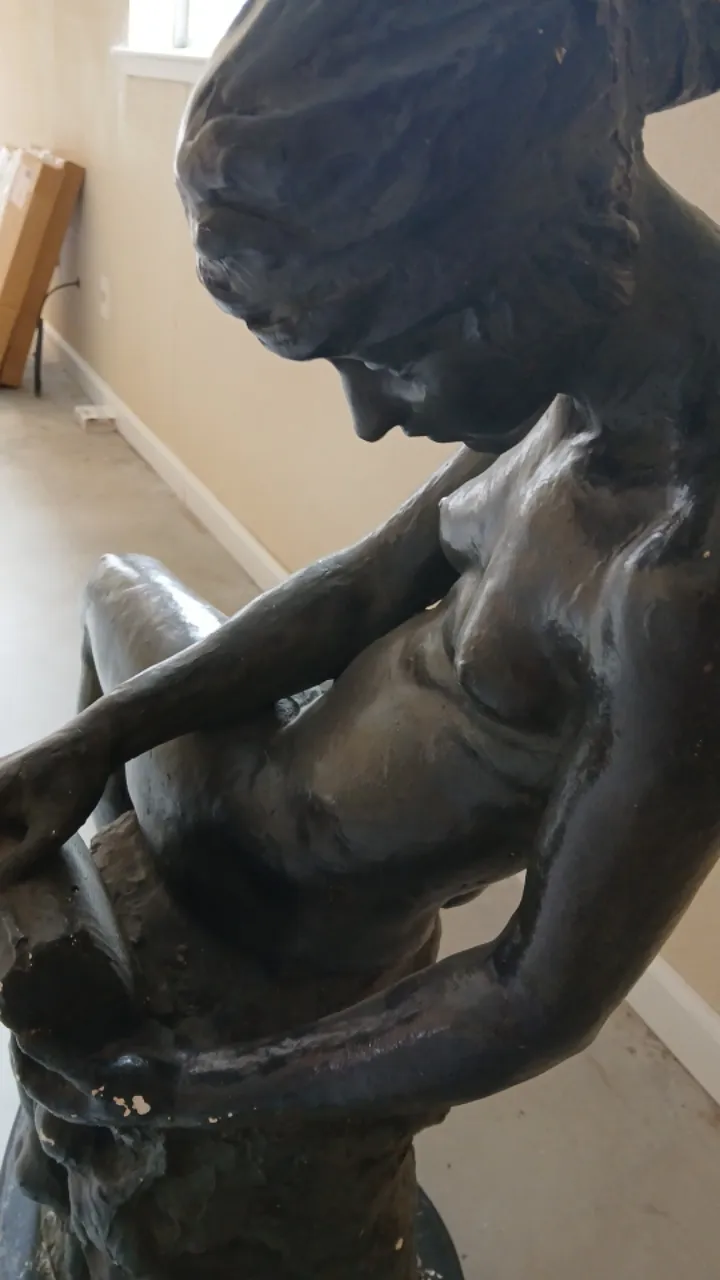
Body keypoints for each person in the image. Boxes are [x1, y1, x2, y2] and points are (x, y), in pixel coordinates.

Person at [4, 0, 720, 1128]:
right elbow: (360, 586)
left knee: (115, 590)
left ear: (521, 266)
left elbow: (536, 995)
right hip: (273, 793)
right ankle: (112, 825)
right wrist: (93, 740)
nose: (370, 417)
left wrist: (176, 1091)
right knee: (121, 596)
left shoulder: (678, 582)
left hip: (283, 887)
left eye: (387, 355)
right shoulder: (582, 387)